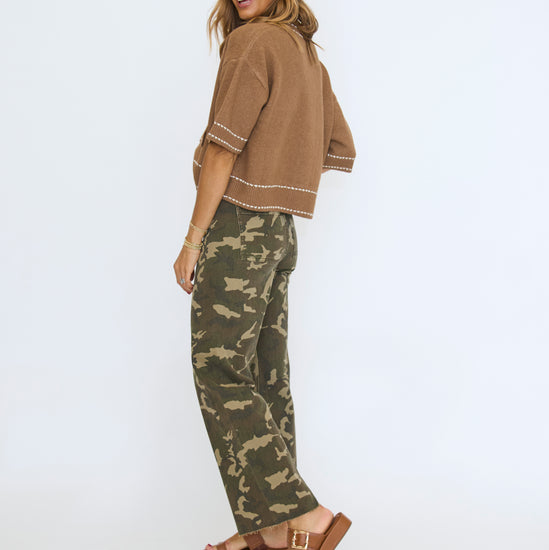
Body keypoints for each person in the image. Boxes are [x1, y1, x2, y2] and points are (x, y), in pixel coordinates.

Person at [173, 1, 356, 549]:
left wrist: (193, 239)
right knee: (265, 375)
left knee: (219, 367)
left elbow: (222, 149)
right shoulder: (306, 54)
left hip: (236, 228)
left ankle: (305, 514)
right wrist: (280, 168)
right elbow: (339, 146)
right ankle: (274, 533)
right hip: (279, 231)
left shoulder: (252, 42)